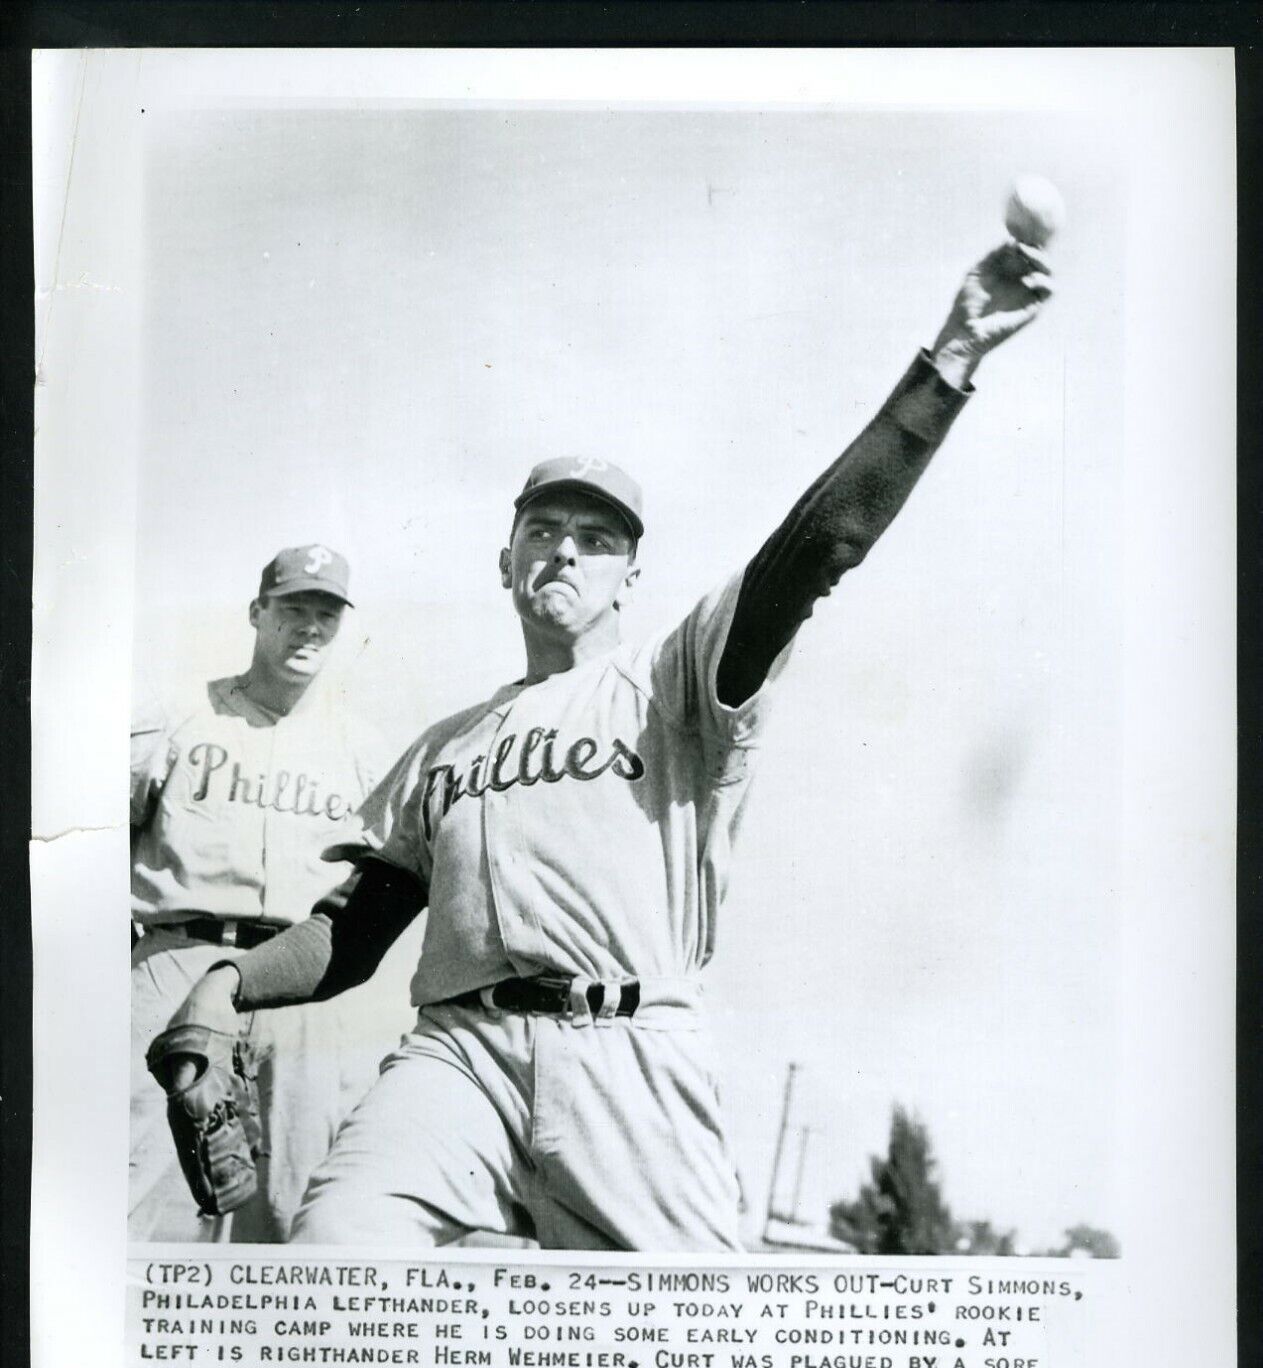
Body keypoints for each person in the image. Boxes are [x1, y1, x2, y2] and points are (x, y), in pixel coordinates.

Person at [163, 241, 1053, 1250]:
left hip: (627, 1051)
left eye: (598, 537)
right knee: (334, 1257)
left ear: (632, 573)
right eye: (545, 528)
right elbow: (350, 935)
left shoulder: (679, 678)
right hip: (456, 1056)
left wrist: (944, 368)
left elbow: (816, 550)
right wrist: (224, 983)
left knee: (691, 1361)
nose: (567, 549)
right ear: (507, 560)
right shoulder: (440, 748)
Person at [130, 545, 387, 1242]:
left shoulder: (363, 751)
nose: (308, 628)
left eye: (325, 615)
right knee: (141, 1185)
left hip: (296, 986)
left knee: (286, 1202)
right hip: (177, 962)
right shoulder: (178, 719)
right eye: (293, 610)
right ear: (257, 613)